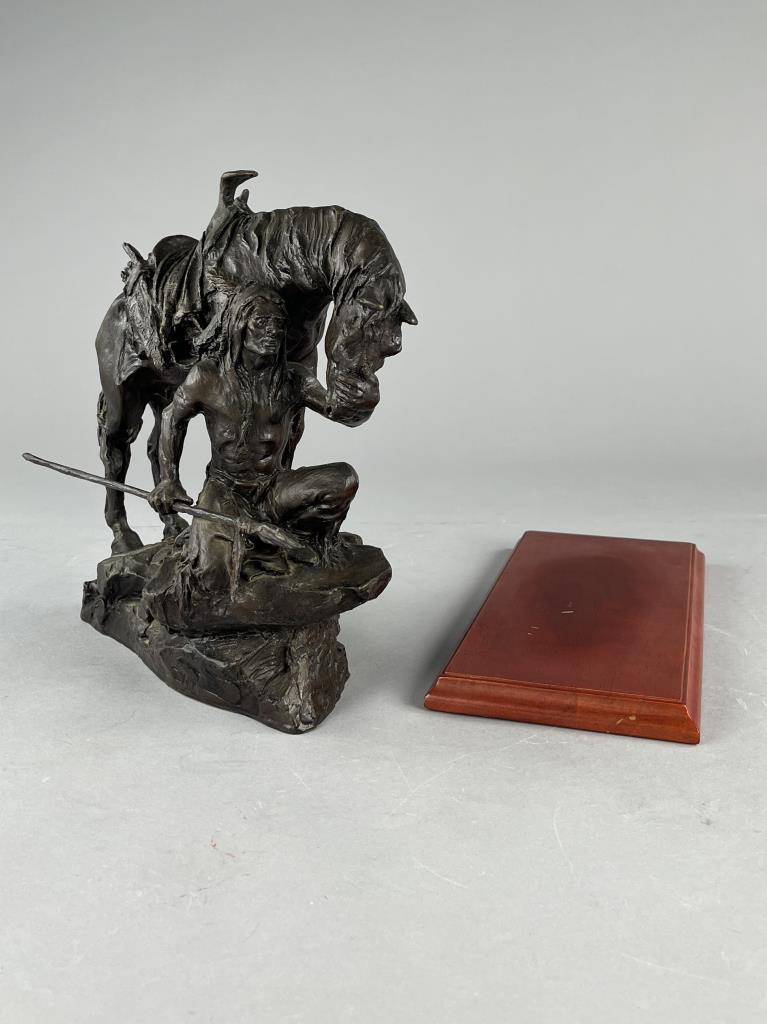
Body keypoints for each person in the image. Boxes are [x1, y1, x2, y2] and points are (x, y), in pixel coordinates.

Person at [148, 285, 359, 596]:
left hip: (273, 490)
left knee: (343, 479)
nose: (272, 331)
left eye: (278, 324)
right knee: (212, 576)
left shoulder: (294, 379)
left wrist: (353, 372)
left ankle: (289, 541)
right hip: (225, 491)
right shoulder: (208, 376)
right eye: (261, 322)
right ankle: (252, 540)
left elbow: (340, 410)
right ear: (239, 324)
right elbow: (171, 418)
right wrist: (168, 480)